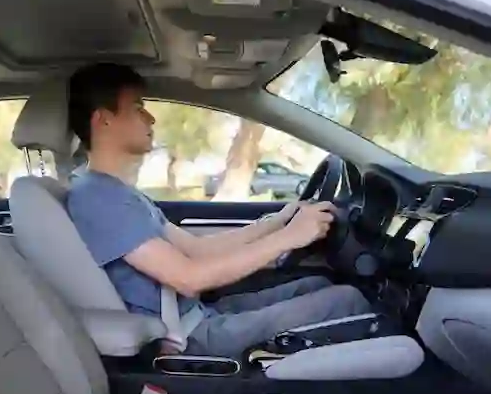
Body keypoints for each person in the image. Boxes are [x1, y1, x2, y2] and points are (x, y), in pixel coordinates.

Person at [66, 63, 372, 357]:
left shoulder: (119, 194)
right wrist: (289, 237)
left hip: (196, 315)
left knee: (316, 286)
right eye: (138, 108)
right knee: (347, 301)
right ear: (103, 120)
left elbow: (197, 250)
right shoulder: (97, 198)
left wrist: (277, 222)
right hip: (187, 338)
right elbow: (189, 278)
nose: (151, 118)